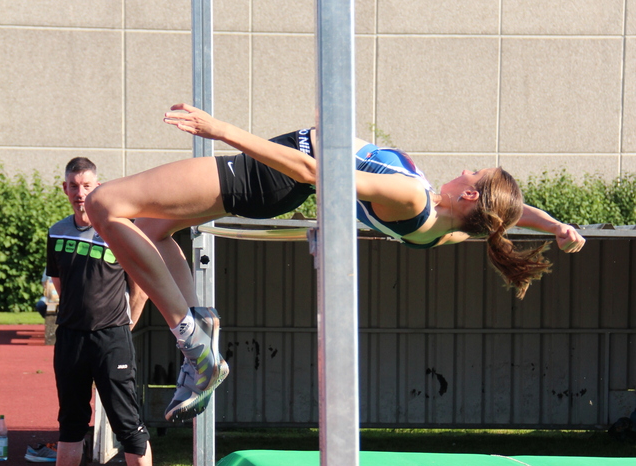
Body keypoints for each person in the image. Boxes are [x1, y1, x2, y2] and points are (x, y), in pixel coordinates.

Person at [85, 105, 585, 422]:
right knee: (151, 230)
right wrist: (555, 226)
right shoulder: (444, 232)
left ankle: (192, 339)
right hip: (275, 179)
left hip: (271, 173)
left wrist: (222, 129)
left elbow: (310, 170)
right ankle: (201, 322)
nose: (462, 170)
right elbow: (507, 217)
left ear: (472, 192)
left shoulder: (409, 194)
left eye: (472, 173)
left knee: (104, 204)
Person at [27, 157, 157, 466]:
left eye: (87, 186)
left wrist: (125, 325)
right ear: (65, 189)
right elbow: (61, 287)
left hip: (111, 340)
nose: (81, 193)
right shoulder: (57, 231)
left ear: (98, 187)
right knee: (70, 425)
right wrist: (75, 320)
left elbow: (142, 285)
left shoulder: (119, 229)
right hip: (70, 340)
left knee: (128, 425)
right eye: (74, 186)